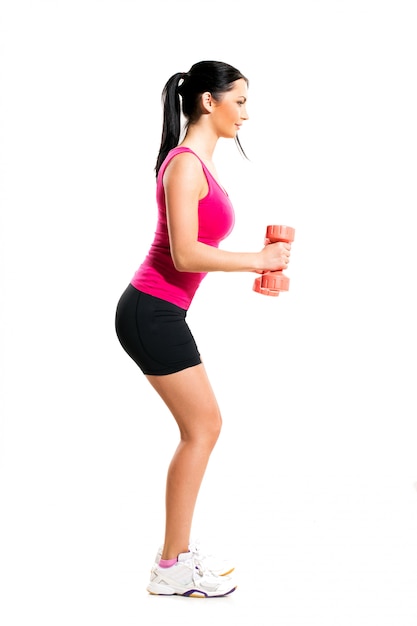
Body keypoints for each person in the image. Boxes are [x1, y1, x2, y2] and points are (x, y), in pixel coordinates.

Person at [115, 60, 291, 598]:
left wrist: (257, 262)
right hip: (149, 310)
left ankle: (176, 557)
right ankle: (171, 566)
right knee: (203, 428)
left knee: (203, 427)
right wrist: (258, 259)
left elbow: (194, 251)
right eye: (238, 101)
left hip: (161, 311)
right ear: (209, 103)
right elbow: (186, 255)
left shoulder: (199, 165)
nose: (246, 112)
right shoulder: (186, 165)